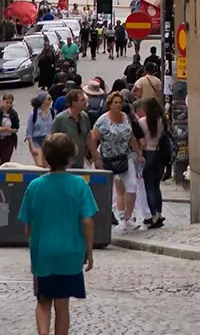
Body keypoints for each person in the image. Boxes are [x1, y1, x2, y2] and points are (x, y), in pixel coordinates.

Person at [18, 131, 96, 335]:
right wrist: (89, 250)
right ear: (71, 157)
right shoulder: (79, 185)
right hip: (70, 253)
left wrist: (34, 239)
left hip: (44, 253)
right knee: (63, 307)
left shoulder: (35, 186)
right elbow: (87, 220)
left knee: (43, 301)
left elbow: (27, 226)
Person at [91, 91, 138, 230]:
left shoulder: (125, 117)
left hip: (125, 156)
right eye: (115, 102)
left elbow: (131, 136)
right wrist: (96, 157)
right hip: (110, 159)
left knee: (133, 185)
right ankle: (122, 218)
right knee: (119, 189)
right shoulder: (102, 121)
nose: (118, 105)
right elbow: (93, 139)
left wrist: (139, 152)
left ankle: (129, 217)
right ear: (110, 104)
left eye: (120, 102)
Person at [136, 96, 170, 229]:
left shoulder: (142, 122)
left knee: (149, 186)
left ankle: (154, 215)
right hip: (160, 154)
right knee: (156, 186)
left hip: (148, 153)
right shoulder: (163, 120)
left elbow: (141, 141)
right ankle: (160, 213)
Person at [50, 89, 93, 169]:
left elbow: (88, 137)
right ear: (74, 103)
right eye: (82, 100)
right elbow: (51, 142)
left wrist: (94, 156)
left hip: (80, 163)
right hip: (64, 165)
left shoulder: (85, 117)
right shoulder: (60, 119)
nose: (86, 102)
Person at [25, 92, 55, 167]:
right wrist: (32, 147)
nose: (51, 100)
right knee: (39, 165)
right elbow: (29, 132)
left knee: (47, 165)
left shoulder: (52, 112)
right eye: (49, 99)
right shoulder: (34, 114)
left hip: (47, 140)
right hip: (36, 140)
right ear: (43, 101)